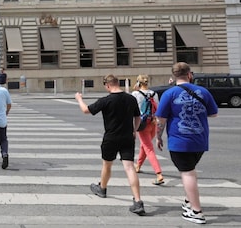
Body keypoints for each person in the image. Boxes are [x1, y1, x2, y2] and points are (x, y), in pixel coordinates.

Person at [156, 62, 218, 224]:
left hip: (179, 141)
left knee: (187, 173)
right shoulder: (203, 92)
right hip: (200, 141)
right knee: (190, 170)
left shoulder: (169, 94)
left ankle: (197, 211)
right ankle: (188, 201)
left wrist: (158, 137)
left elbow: (160, 119)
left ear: (174, 76)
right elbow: (213, 114)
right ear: (189, 74)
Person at [75, 74, 145, 216]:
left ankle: (103, 188)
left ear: (107, 85)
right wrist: (134, 130)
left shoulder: (106, 100)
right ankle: (138, 201)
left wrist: (79, 99)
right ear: (117, 83)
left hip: (111, 138)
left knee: (107, 164)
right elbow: (138, 117)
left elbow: (86, 110)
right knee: (130, 167)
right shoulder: (130, 98)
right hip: (127, 137)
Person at [131, 74, 165, 185]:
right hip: (153, 123)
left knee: (148, 148)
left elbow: (133, 110)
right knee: (144, 145)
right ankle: (138, 165)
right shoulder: (154, 94)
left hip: (142, 124)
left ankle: (159, 173)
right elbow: (158, 109)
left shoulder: (135, 94)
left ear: (138, 83)